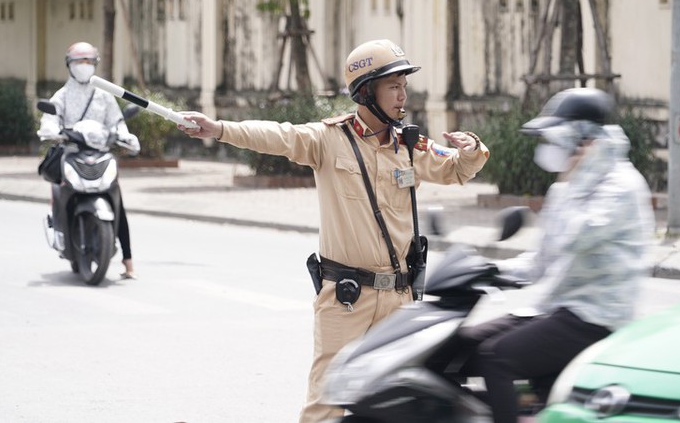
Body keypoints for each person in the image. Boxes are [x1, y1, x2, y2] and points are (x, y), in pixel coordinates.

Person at [177, 39, 490, 423]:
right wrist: (219, 128)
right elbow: (278, 135)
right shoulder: (328, 140)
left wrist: (472, 147)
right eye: (393, 86)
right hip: (347, 300)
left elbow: (457, 169)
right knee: (327, 405)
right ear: (366, 92)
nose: (402, 95)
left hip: (401, 299)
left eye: (403, 85)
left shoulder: (410, 145)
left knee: (403, 400)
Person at [459, 87, 655, 423]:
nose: (547, 147)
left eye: (554, 137)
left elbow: (576, 237)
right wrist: (488, 271)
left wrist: (573, 180)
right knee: (458, 346)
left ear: (582, 139)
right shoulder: (567, 186)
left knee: (497, 357)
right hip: (557, 308)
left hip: (596, 317)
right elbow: (543, 259)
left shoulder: (620, 185)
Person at [38, 41, 140, 279]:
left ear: (95, 64)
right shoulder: (61, 96)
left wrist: (126, 137)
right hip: (72, 153)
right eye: (78, 62)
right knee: (61, 190)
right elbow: (50, 119)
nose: (83, 66)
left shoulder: (104, 95)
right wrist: (50, 129)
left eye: (88, 61)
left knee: (117, 201)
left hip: (101, 153)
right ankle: (62, 235)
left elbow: (117, 122)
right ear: (69, 65)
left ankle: (128, 262)